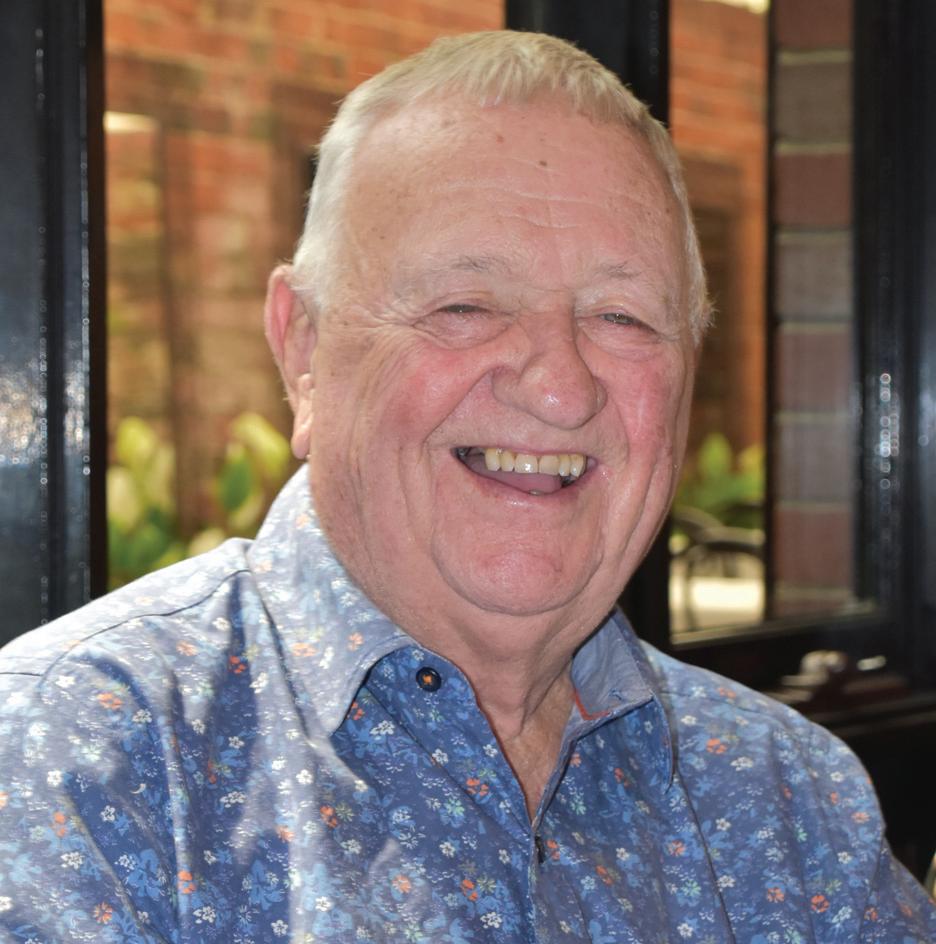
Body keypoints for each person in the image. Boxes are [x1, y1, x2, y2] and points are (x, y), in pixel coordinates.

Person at [0, 30, 933, 944]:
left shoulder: (789, 798)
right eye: (466, 305)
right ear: (304, 352)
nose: (560, 386)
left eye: (622, 316)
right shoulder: (73, 763)